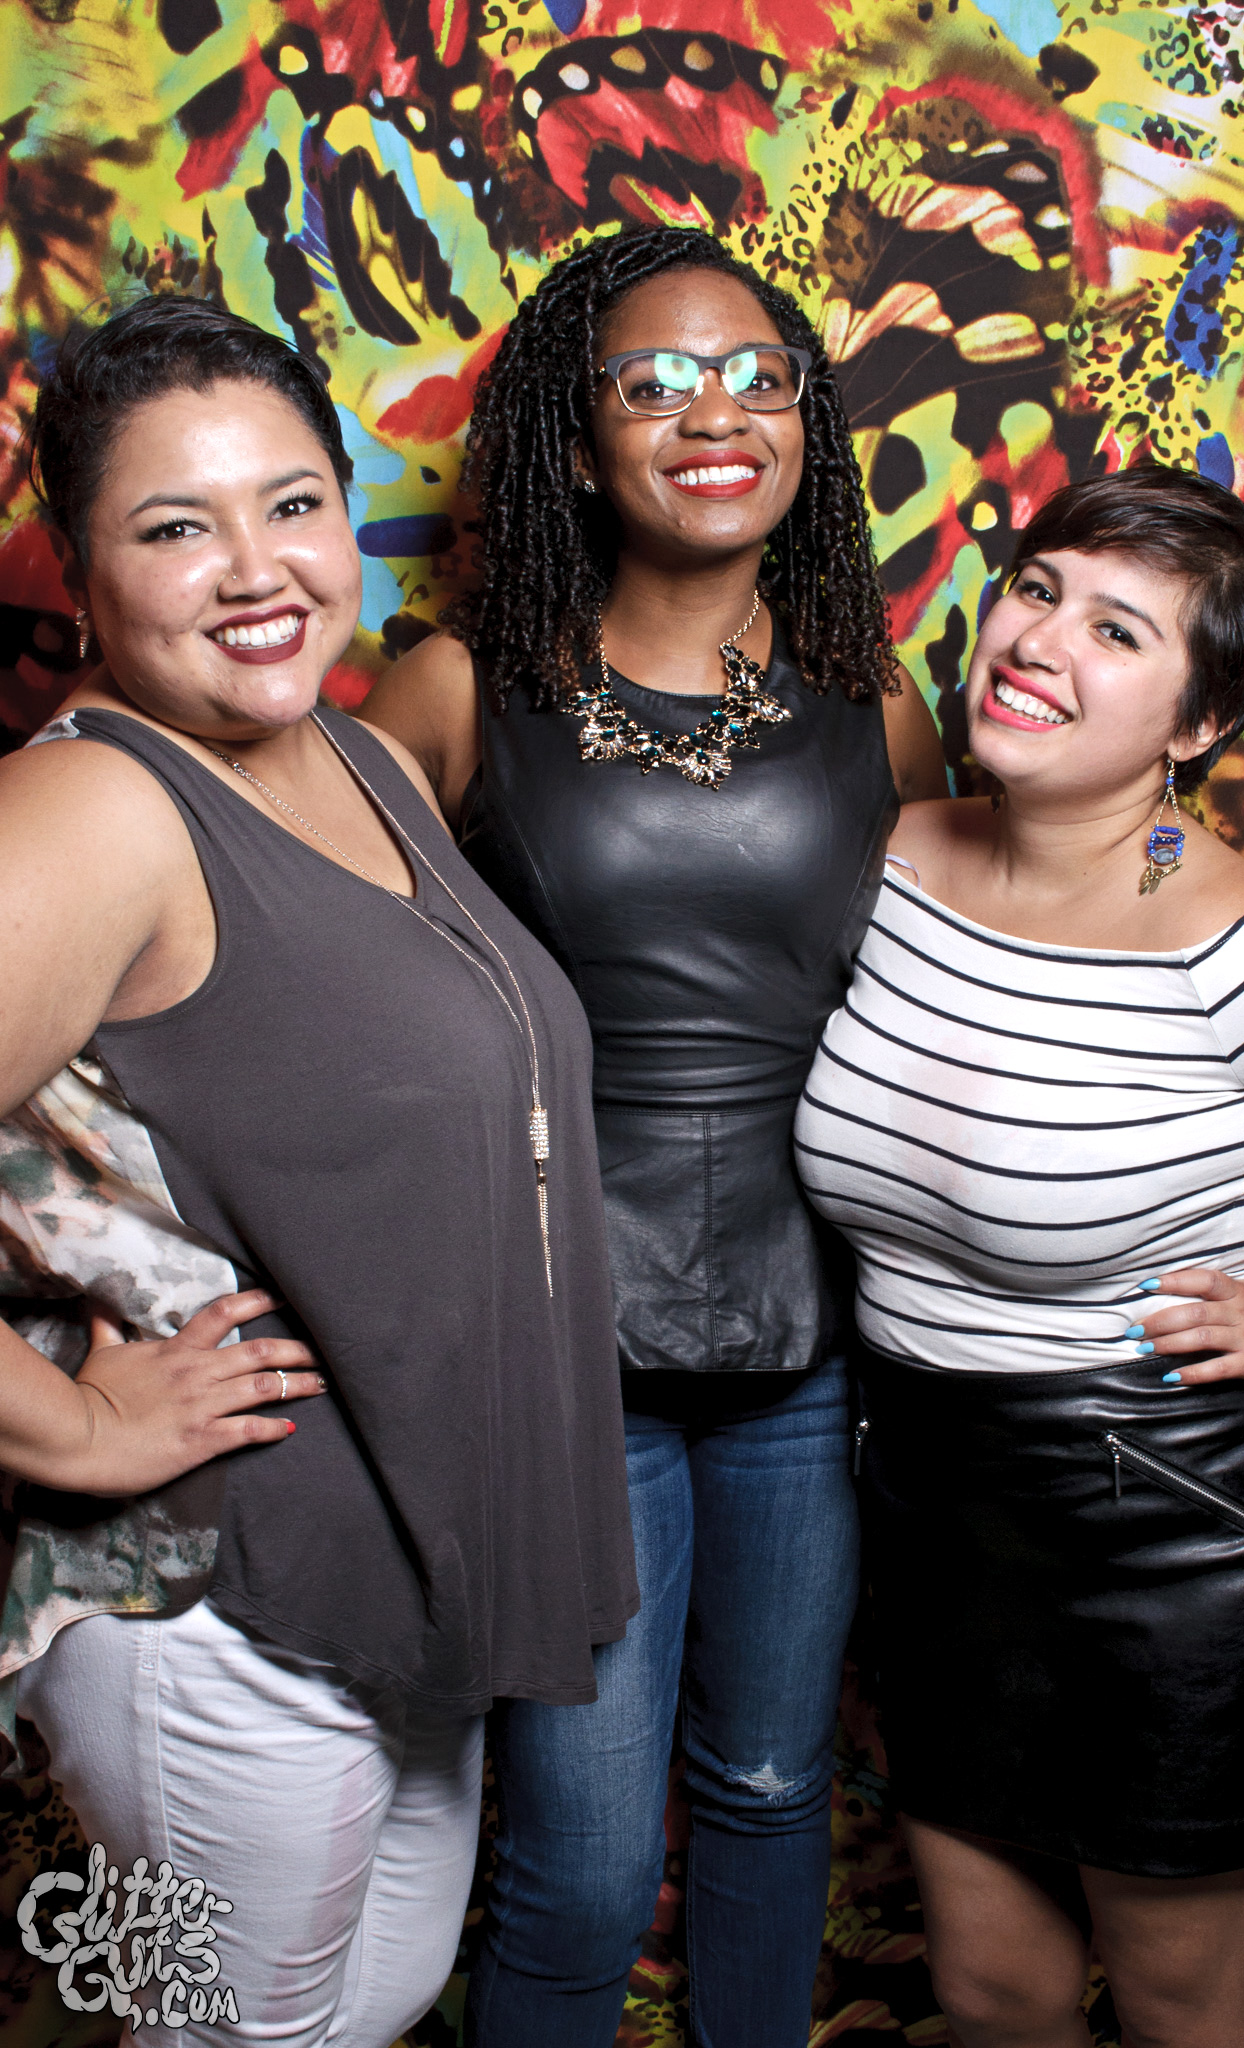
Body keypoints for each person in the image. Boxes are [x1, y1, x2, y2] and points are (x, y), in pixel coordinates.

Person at [0, 295, 636, 2048]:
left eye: (290, 504)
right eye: (173, 528)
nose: (253, 569)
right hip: (214, 1600)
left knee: (371, 2005)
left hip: (400, 1566)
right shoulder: (96, 811)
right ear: (80, 574)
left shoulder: (355, 751)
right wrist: (78, 1429)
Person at [361, 222, 947, 2047]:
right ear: (573, 434)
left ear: (806, 426)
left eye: (760, 376)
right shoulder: (457, 688)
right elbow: (320, 995)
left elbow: (970, 988)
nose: (718, 414)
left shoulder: (882, 699)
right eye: (659, 381)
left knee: (773, 1794)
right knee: (587, 1867)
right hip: (558, 1358)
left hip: (814, 1353)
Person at [795, 462, 1244, 2048]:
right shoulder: (891, 858)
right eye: (1039, 590)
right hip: (934, 1510)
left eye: (1121, 631)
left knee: (1177, 2003)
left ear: (1199, 722)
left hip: (1180, 1533)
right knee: (994, 1993)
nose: (1042, 641)